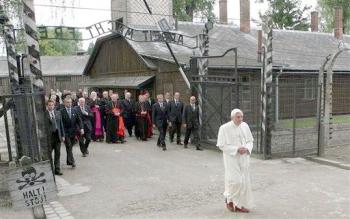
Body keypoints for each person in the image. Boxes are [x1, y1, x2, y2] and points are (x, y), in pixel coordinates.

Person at [216, 109, 254, 213]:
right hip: (231, 159)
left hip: (244, 158)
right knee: (235, 181)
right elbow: (221, 145)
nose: (240, 119)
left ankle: (238, 205)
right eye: (238, 117)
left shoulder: (245, 126)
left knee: (244, 182)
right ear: (232, 117)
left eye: (242, 117)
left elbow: (250, 140)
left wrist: (247, 148)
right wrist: (237, 149)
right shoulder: (224, 128)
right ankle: (229, 199)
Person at [61, 97, 83, 168]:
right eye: (67, 102)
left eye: (70, 102)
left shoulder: (75, 110)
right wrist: (62, 134)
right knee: (69, 146)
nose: (69, 104)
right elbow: (60, 124)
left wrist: (81, 128)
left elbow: (79, 120)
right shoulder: (61, 112)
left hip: (73, 132)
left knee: (70, 147)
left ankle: (69, 161)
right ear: (64, 103)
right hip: (65, 132)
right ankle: (72, 161)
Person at [46, 100, 65, 175]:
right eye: (49, 105)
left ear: (54, 105)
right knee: (49, 154)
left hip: (57, 136)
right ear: (47, 106)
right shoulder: (45, 114)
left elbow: (61, 125)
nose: (51, 106)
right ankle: (50, 169)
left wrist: (63, 135)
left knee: (58, 153)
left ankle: (57, 169)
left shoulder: (58, 113)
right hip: (50, 137)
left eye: (52, 105)